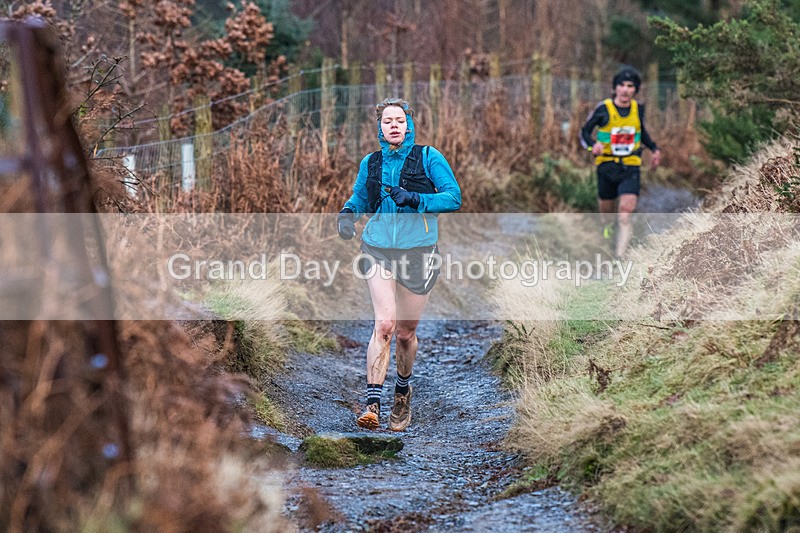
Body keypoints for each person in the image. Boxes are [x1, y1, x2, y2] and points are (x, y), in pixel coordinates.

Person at [337, 97, 462, 431]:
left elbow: (453, 197)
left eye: (399, 120)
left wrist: (417, 199)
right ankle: (372, 404)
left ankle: (403, 392)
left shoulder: (428, 157)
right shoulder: (372, 162)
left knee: (406, 334)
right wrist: (349, 214)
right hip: (377, 248)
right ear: (379, 127)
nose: (394, 125)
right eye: (387, 120)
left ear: (409, 124)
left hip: (419, 251)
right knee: (385, 325)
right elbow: (361, 197)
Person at [580, 67, 662, 258]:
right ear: (615, 88)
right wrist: (593, 146)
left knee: (625, 211)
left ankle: (620, 257)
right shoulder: (603, 109)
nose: (625, 90)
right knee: (606, 215)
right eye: (622, 86)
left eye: (630, 86)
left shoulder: (638, 108)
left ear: (635, 90)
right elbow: (584, 132)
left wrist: (654, 149)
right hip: (606, 165)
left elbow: (642, 132)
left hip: (631, 164)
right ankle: (607, 229)